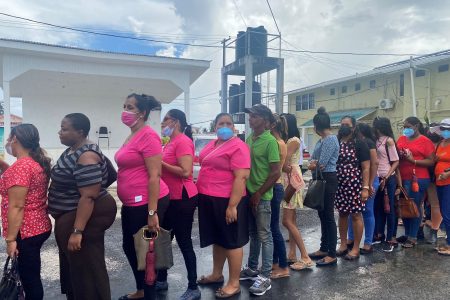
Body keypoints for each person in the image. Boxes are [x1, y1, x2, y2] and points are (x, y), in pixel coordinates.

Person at [48, 113, 117, 300]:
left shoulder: (86, 155)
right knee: (76, 268)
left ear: (79, 132)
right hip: (69, 214)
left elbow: (88, 196)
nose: (60, 133)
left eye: (64, 129)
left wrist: (77, 231)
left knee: (87, 268)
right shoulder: (73, 149)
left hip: (82, 216)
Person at [115, 94, 169, 300]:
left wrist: (152, 212)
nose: (125, 110)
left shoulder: (148, 136)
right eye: (124, 106)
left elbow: (155, 175)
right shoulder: (132, 135)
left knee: (147, 252)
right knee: (129, 246)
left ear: (142, 113)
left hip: (148, 202)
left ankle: (150, 295)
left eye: (130, 107)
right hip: (131, 203)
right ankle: (141, 290)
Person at [196, 113, 250, 298]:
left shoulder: (239, 146)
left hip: (227, 200)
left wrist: (232, 205)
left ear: (234, 127)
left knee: (231, 240)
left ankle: (234, 283)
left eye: (228, 123)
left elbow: (241, 177)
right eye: (221, 123)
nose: (225, 126)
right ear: (215, 126)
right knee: (218, 238)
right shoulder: (213, 144)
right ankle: (216, 273)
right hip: (208, 197)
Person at [0, 124, 52, 300]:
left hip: (26, 231)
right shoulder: (33, 162)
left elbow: (17, 206)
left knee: (29, 279)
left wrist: (11, 240)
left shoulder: (21, 167)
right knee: (30, 274)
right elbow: (17, 180)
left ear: (15, 139)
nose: (7, 142)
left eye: (8, 138)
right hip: (38, 226)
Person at [158, 109, 200, 300]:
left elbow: (185, 172)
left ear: (175, 122)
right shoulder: (169, 143)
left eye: (165, 120)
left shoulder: (183, 141)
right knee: (162, 239)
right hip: (168, 198)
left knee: (183, 241)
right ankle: (161, 279)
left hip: (182, 199)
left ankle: (193, 287)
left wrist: (160, 163)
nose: (162, 124)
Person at [239, 104, 280, 296]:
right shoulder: (250, 138)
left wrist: (258, 193)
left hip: (262, 197)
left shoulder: (270, 141)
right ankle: (252, 268)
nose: (250, 119)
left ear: (264, 120)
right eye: (250, 116)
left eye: (254, 116)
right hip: (249, 194)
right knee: (253, 234)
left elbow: (275, 173)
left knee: (265, 235)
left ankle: (265, 276)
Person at [279, 113, 313, 271]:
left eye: (282, 122)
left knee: (287, 221)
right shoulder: (291, 140)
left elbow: (284, 163)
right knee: (291, 220)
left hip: (290, 180)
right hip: (291, 178)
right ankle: (292, 254)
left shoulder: (293, 141)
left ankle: (305, 257)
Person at [308, 107, 340, 266]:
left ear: (316, 126)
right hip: (322, 178)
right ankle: (324, 247)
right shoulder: (322, 140)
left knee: (328, 216)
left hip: (327, 178)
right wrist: (313, 164)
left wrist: (313, 164)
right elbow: (313, 160)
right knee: (322, 214)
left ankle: (332, 253)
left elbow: (320, 163)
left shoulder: (330, 140)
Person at [335, 116, 370, 260]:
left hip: (354, 183)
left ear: (353, 127)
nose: (344, 127)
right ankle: (343, 244)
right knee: (342, 214)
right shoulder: (336, 142)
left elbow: (366, 167)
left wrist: (365, 187)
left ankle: (356, 247)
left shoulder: (360, 143)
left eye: (347, 125)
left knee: (356, 215)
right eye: (342, 124)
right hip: (339, 184)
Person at [396, 116, 435, 248]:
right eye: (404, 127)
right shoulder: (401, 139)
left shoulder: (425, 141)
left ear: (416, 126)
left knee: (414, 206)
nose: (405, 129)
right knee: (405, 206)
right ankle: (407, 234)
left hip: (418, 179)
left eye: (408, 127)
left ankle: (413, 237)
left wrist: (414, 161)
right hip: (402, 177)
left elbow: (431, 161)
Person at [348, 122, 379, 254]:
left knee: (367, 211)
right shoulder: (353, 142)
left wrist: (370, 184)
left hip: (369, 181)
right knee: (352, 211)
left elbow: (374, 163)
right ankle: (350, 238)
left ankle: (368, 243)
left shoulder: (368, 142)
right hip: (356, 181)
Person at [372, 117, 400, 252]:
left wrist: (387, 177)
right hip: (377, 178)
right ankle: (379, 234)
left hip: (388, 178)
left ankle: (391, 237)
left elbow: (395, 161)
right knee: (378, 208)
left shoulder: (389, 141)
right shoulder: (375, 140)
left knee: (389, 209)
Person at [268, 114, 289, 279]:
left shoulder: (276, 143)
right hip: (277, 185)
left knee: (274, 228)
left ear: (272, 125)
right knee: (272, 226)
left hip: (275, 186)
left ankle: (283, 266)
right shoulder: (280, 142)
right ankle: (275, 262)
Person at [434, 119, 450, 256]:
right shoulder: (441, 143)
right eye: (443, 128)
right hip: (439, 182)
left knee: (447, 213)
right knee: (444, 213)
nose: (445, 131)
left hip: (448, 182)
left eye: (448, 129)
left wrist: (448, 173)